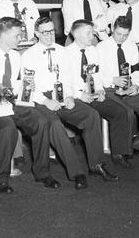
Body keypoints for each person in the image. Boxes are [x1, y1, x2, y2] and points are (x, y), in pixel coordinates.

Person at [0, 17, 60, 193]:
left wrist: (25, 85)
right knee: (7, 127)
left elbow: (13, 83)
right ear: (4, 35)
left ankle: (42, 172)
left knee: (40, 121)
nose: (21, 39)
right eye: (17, 35)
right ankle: (1, 177)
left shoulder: (16, 56)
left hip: (10, 100)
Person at [22, 16, 118, 188]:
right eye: (45, 32)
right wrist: (45, 101)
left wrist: (69, 95)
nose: (50, 36)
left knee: (91, 115)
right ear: (36, 33)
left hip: (61, 95)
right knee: (55, 125)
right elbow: (27, 87)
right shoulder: (29, 55)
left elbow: (68, 78)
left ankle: (97, 165)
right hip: (40, 99)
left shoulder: (62, 50)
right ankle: (77, 173)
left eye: (52, 31)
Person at [65, 19, 132, 166]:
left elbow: (96, 75)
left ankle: (119, 154)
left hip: (92, 94)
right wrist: (80, 94)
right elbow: (65, 82)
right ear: (75, 34)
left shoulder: (93, 50)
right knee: (92, 116)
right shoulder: (66, 53)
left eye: (93, 32)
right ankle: (96, 162)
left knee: (120, 111)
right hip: (76, 97)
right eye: (88, 33)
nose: (92, 36)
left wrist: (100, 90)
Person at [97, 16, 139, 159]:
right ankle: (124, 149)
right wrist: (113, 80)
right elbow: (95, 75)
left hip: (126, 88)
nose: (121, 38)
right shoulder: (101, 47)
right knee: (127, 112)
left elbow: (136, 70)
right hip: (109, 89)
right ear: (112, 29)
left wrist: (136, 85)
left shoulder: (131, 46)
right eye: (118, 34)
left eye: (125, 35)